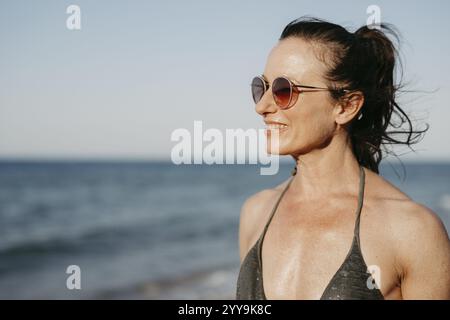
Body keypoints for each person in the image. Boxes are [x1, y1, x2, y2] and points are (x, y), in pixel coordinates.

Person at [236, 17, 450, 300]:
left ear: (346, 107)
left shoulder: (411, 231)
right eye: (261, 87)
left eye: (283, 90)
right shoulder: (256, 213)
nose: (262, 106)